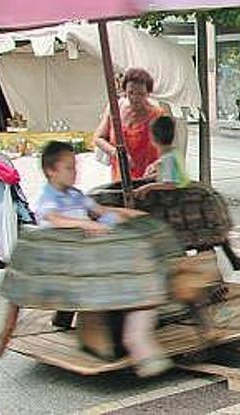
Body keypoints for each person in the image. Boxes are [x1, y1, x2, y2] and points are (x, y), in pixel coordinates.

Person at [36, 141, 172, 377]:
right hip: (68, 264)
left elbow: (101, 212)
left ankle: (136, 334)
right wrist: (85, 224)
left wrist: (132, 215)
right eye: (68, 167)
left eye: (75, 166)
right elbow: (54, 219)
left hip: (92, 256)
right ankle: (135, 338)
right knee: (136, 275)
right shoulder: (49, 199)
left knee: (147, 270)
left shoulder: (76, 196)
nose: (74, 171)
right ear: (51, 171)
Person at [94, 68, 170, 183]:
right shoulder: (114, 108)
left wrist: (156, 165)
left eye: (140, 94)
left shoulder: (157, 115)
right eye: (131, 93)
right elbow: (98, 138)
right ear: (125, 91)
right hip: (120, 179)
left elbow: (169, 151)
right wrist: (116, 153)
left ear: (148, 93)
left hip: (148, 181)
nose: (135, 98)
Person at [135, 116, 189, 198]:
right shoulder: (174, 155)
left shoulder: (168, 159)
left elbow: (171, 184)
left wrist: (146, 188)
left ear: (153, 138)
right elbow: (172, 175)